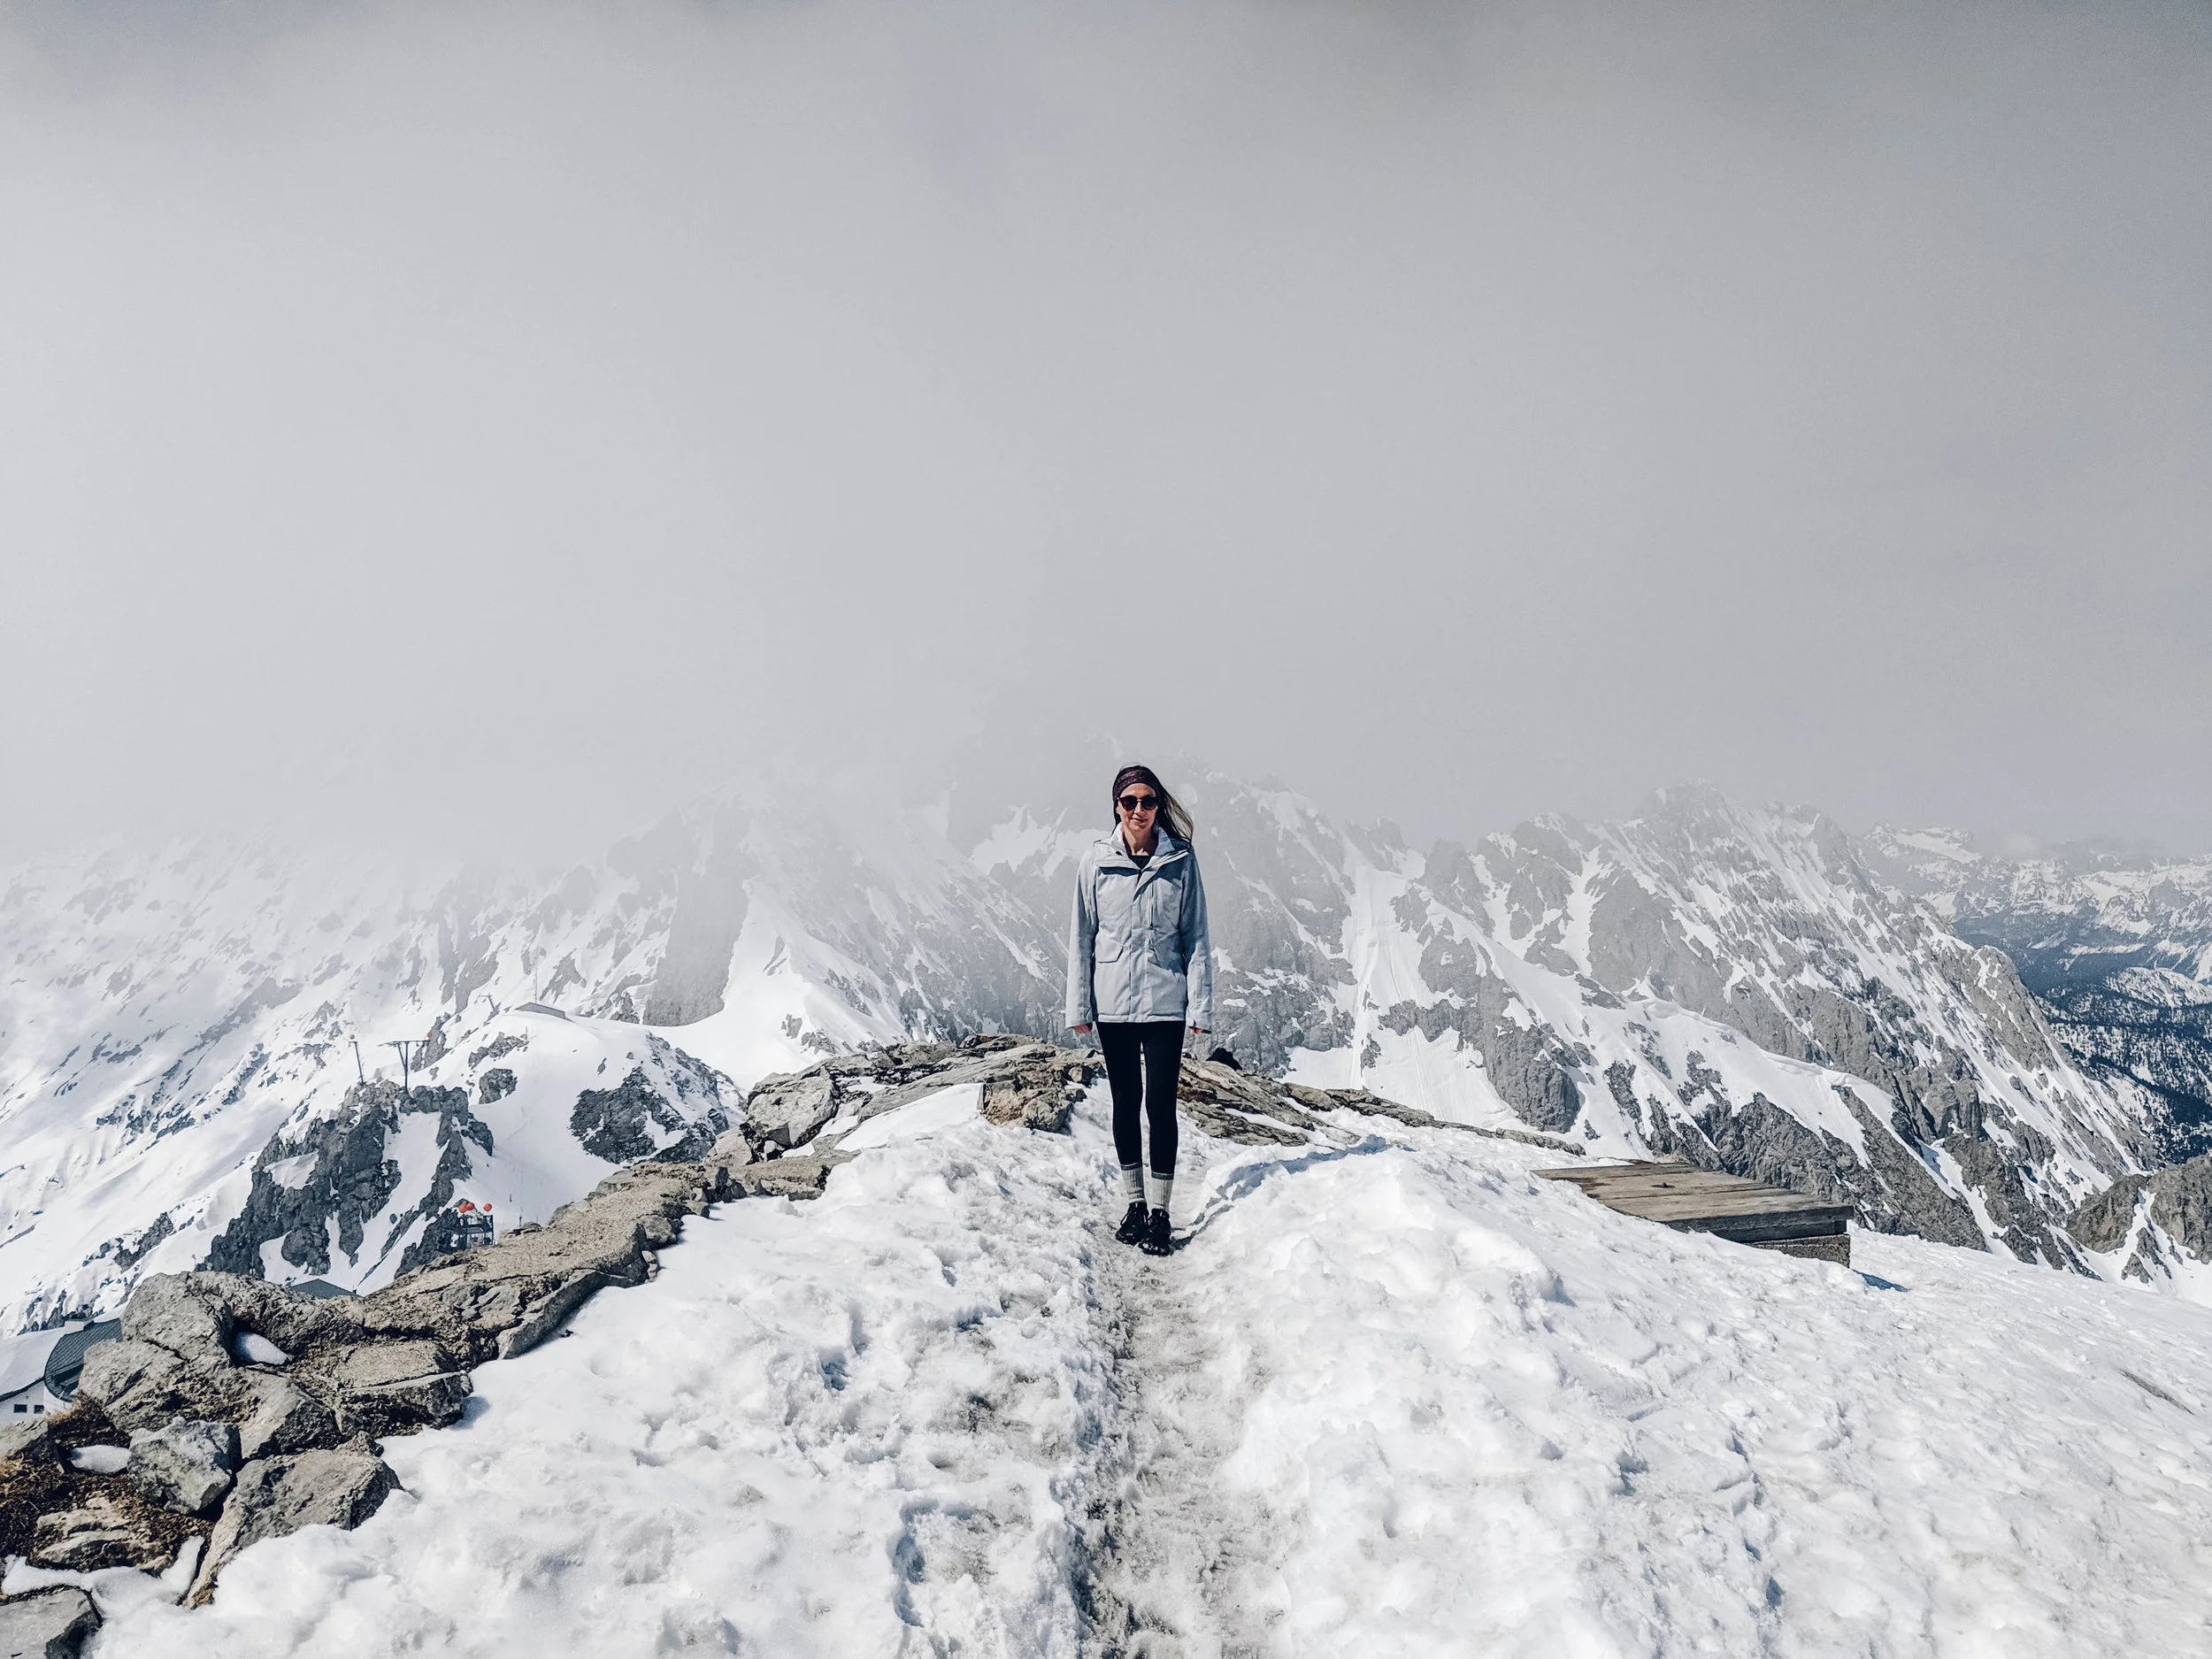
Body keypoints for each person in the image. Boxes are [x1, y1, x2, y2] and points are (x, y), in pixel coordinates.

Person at [1066, 764, 1213, 1256]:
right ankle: (1134, 1204)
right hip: (1113, 1004)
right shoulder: (1095, 862)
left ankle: (1162, 1213)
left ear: (1158, 805)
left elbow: (1196, 938)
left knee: (1161, 1106)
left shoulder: (1181, 861)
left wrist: (1201, 1006)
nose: (1138, 811)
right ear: (1116, 806)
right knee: (1126, 1104)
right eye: (1129, 802)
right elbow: (1081, 938)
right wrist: (1079, 1005)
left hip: (1166, 1001)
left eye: (1147, 801)